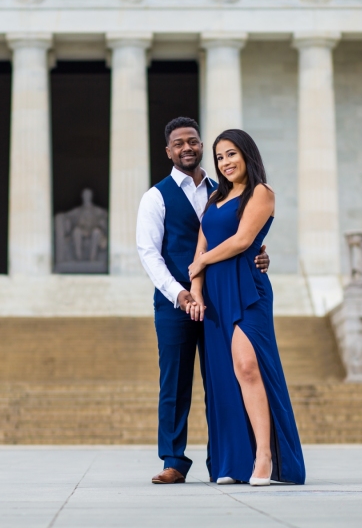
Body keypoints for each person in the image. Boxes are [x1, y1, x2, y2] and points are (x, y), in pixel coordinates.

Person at [136, 118, 270, 484]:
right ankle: (174, 460)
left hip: (222, 299)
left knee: (224, 379)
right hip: (175, 301)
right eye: (179, 143)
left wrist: (261, 255)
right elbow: (149, 253)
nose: (187, 148)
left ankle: (224, 462)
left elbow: (241, 235)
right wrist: (179, 293)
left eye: (193, 141)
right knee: (175, 382)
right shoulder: (156, 196)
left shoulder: (221, 191)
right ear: (169, 151)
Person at [187, 129, 305, 486]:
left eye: (232, 154)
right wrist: (196, 287)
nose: (225, 163)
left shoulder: (261, 193)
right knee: (226, 375)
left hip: (247, 289)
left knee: (247, 364)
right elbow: (199, 249)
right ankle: (236, 462)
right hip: (216, 294)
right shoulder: (213, 200)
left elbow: (242, 241)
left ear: (247, 155)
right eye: (220, 157)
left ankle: (265, 457)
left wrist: (201, 262)